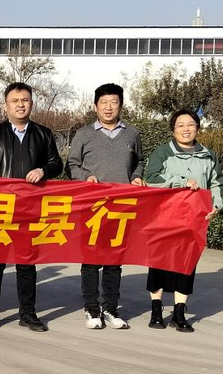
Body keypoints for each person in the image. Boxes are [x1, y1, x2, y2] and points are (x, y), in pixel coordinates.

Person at [0, 82, 62, 332]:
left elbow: (57, 164)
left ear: (31, 103)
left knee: (27, 265)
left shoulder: (43, 134)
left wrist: (43, 170)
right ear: (6, 105)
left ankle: (28, 313)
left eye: (25, 100)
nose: (20, 105)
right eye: (15, 101)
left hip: (30, 210)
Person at [66, 83, 144, 330]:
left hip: (121, 206)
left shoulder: (132, 133)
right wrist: (84, 178)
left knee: (114, 261)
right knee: (91, 260)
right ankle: (91, 308)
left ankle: (110, 308)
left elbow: (140, 162)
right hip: (92, 206)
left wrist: (136, 177)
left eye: (114, 102)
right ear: (95, 106)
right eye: (104, 103)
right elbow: (72, 164)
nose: (109, 107)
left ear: (121, 105)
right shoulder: (84, 134)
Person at [143, 109, 223, 333]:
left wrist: (216, 205)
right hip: (164, 217)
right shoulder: (162, 152)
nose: (186, 129)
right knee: (159, 263)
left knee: (187, 265)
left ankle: (179, 313)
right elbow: (151, 178)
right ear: (173, 130)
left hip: (193, 220)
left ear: (197, 128)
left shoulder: (209, 155)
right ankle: (156, 310)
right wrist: (180, 181)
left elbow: (217, 183)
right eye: (180, 125)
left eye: (190, 124)